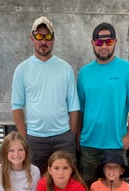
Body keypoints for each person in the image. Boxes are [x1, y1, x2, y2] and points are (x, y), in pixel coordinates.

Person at [11, 16, 80, 175]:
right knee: (35, 181)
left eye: (48, 37)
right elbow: (16, 106)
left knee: (65, 180)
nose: (43, 41)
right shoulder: (22, 70)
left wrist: (71, 135)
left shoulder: (65, 68)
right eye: (39, 36)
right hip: (35, 139)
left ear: (53, 39)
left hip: (63, 137)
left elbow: (74, 106)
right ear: (32, 38)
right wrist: (24, 137)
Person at [77, 21, 129, 187]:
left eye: (108, 42)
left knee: (115, 188)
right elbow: (81, 109)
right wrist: (78, 134)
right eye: (99, 42)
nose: (103, 46)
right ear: (92, 43)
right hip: (89, 143)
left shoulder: (128, 70)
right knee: (88, 186)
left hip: (115, 143)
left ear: (115, 42)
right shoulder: (84, 73)